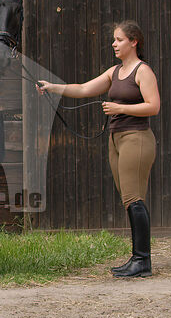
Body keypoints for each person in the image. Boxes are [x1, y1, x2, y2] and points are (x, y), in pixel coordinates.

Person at [36, 20, 160, 277]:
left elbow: (153, 106)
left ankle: (142, 261)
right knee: (129, 200)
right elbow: (83, 89)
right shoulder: (114, 72)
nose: (114, 44)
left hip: (136, 138)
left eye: (119, 39)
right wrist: (52, 87)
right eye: (114, 40)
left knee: (133, 199)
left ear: (133, 41)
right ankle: (137, 258)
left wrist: (120, 108)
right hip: (116, 140)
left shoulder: (142, 71)